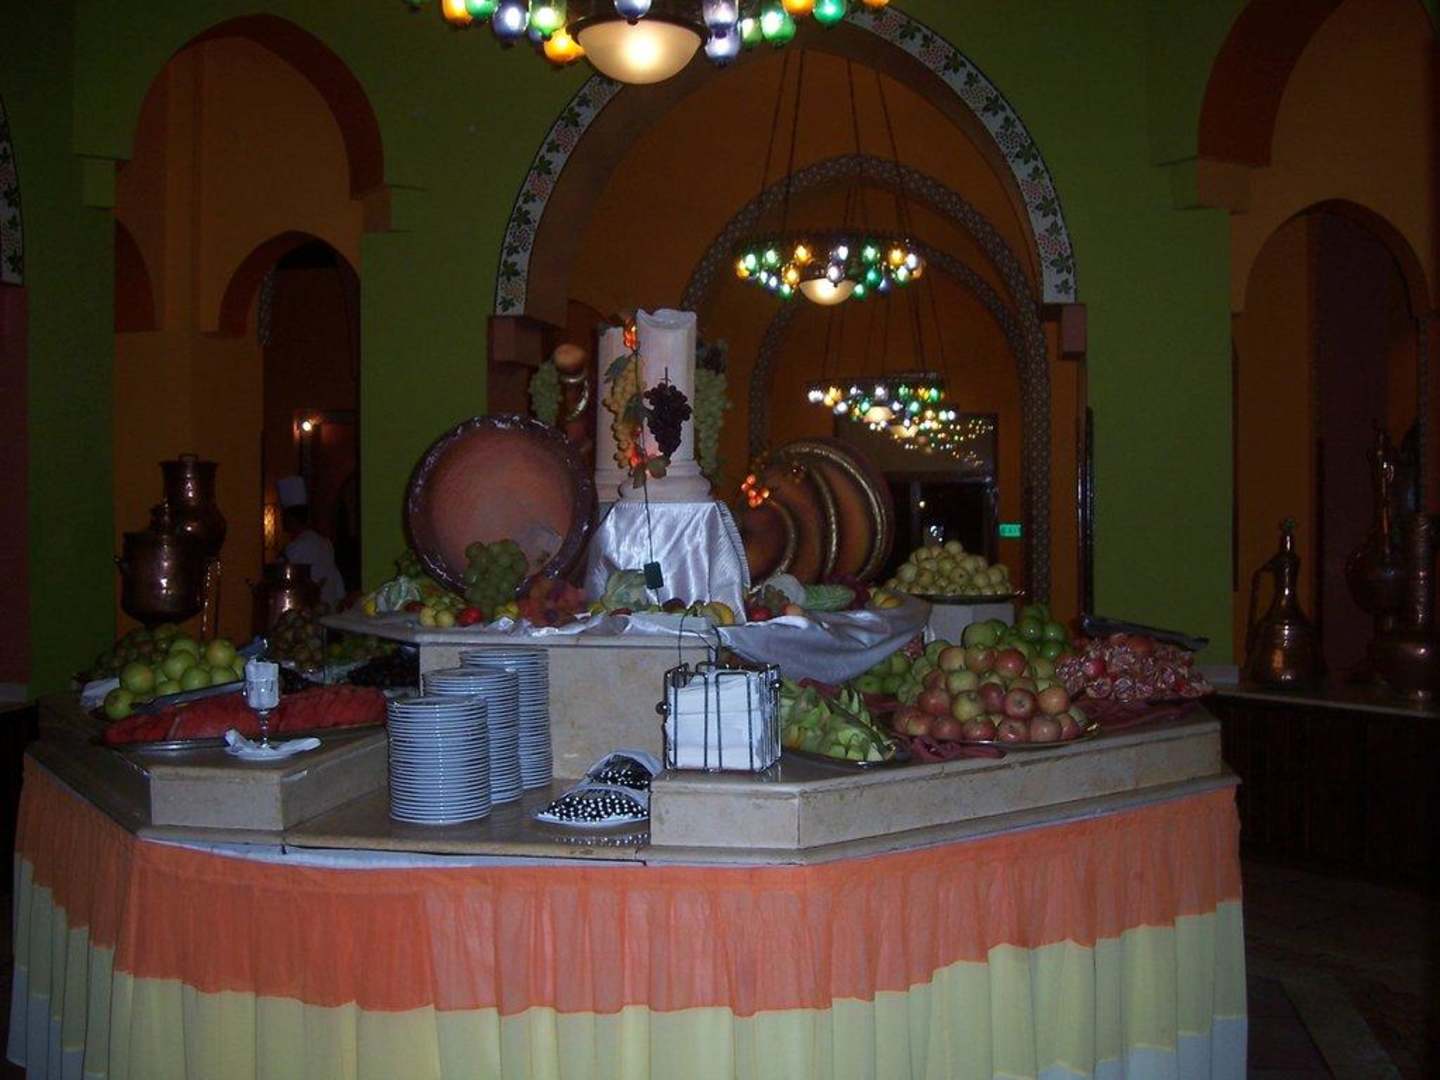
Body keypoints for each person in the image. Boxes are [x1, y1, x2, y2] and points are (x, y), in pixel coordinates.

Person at [277, 475, 345, 606]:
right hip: (329, 608)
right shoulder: (325, 543)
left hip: (310, 610)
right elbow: (338, 586)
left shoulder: (295, 548)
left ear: (290, 518)